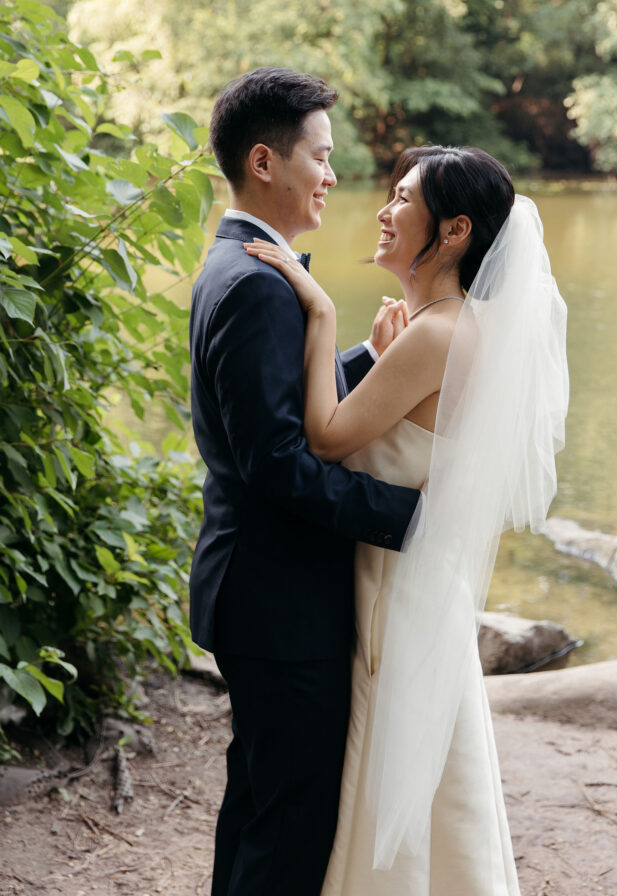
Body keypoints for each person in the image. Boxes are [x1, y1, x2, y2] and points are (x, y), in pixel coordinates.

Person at [245, 144, 569, 894]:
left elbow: (324, 438)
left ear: (453, 232)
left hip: (392, 590)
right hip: (424, 585)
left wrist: (319, 311)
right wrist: (378, 352)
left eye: (402, 199)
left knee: (395, 769)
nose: (385, 213)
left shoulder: (435, 334)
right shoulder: (458, 327)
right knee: (436, 773)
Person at [188, 66, 421, 896]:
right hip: (279, 602)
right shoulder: (258, 284)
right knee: (288, 829)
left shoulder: (240, 265)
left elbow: (266, 405)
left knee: (258, 804)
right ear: (264, 162)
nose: (331, 175)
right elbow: (280, 467)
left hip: (252, 589)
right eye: (318, 157)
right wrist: (414, 514)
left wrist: (361, 358)